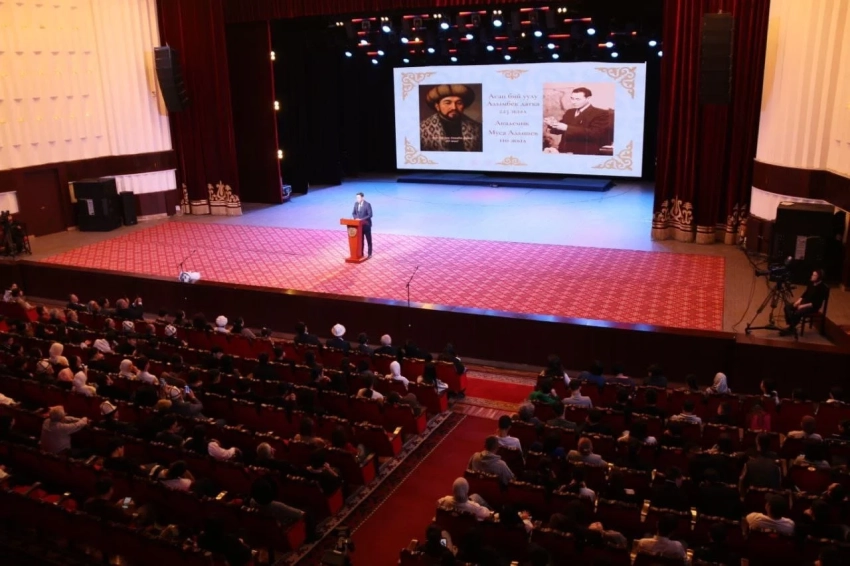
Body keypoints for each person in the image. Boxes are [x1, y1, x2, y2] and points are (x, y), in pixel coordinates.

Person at [544, 87, 612, 155]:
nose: (573, 102)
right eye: (572, 98)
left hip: (585, 153)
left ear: (588, 98)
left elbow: (595, 134)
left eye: (577, 99)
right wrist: (552, 124)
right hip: (564, 151)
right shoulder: (570, 112)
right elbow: (558, 130)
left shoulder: (600, 113)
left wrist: (566, 128)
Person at [420, 84, 483, 152]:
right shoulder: (422, 129)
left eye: (459, 103)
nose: (454, 107)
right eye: (447, 103)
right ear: (437, 106)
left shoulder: (477, 128)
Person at [782, 269, 828, 335]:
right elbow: (805, 293)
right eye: (812, 274)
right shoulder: (811, 283)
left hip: (812, 307)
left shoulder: (822, 288)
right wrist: (798, 301)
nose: (812, 276)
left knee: (798, 312)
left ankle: (791, 328)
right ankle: (791, 324)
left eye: (814, 275)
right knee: (787, 307)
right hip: (804, 302)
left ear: (819, 277)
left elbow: (816, 303)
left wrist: (802, 306)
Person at [352, 191, 373, 257]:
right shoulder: (356, 204)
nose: (357, 199)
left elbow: (370, 215)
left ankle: (369, 254)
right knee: (361, 241)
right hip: (359, 226)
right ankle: (361, 253)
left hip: (366, 225)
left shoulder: (367, 204)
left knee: (368, 240)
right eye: (356, 198)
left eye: (358, 198)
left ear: (362, 198)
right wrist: (356, 218)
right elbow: (353, 213)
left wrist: (361, 219)